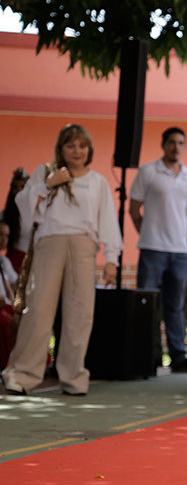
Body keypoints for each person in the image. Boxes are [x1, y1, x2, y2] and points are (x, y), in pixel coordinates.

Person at [1, 124, 122, 395]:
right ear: (61, 148)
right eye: (70, 145)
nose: (77, 151)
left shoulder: (98, 181)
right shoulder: (44, 172)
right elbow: (22, 206)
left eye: (82, 146)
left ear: (89, 150)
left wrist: (111, 258)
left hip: (84, 247)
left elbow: (108, 222)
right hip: (49, 244)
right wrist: (47, 184)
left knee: (80, 314)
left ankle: (74, 378)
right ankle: (23, 374)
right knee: (39, 310)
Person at [129, 127, 187, 374]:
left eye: (181, 142)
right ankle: (146, 356)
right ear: (163, 144)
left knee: (175, 306)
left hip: (179, 251)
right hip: (151, 249)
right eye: (172, 142)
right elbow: (134, 209)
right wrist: (147, 233)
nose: (176, 147)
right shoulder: (148, 171)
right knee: (146, 304)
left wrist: (175, 235)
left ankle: (178, 357)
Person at [1, 167, 30, 271]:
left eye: (23, 187)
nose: (19, 191)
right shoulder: (6, 215)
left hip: (34, 259)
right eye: (16, 187)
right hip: (13, 261)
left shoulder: (38, 213)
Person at [0, 220, 19, 370]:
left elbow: (15, 283)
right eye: (0, 235)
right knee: (6, 321)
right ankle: (7, 367)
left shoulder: (4, 261)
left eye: (6, 236)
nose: (3, 240)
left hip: (8, 305)